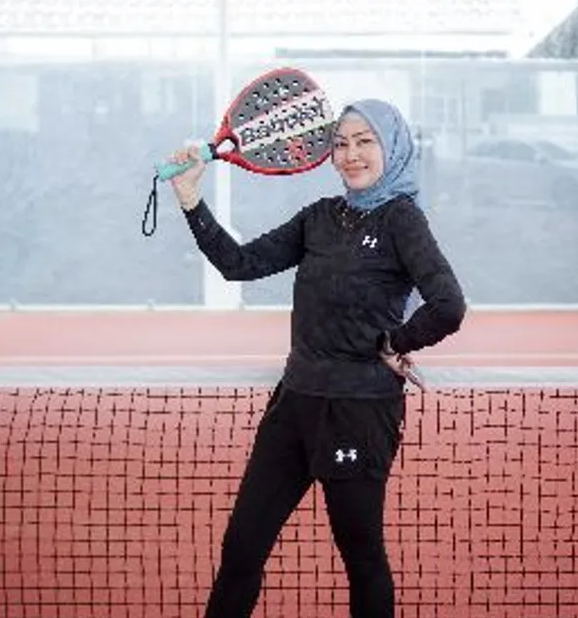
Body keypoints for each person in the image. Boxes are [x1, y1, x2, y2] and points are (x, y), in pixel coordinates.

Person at [168, 98, 467, 618]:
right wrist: (190, 198)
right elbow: (239, 264)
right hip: (293, 407)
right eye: (341, 144)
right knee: (241, 549)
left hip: (359, 412)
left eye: (365, 142)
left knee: (362, 559)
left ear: (393, 147)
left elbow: (448, 305)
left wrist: (396, 343)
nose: (351, 155)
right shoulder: (319, 218)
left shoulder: (402, 219)